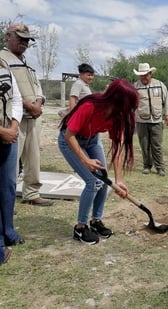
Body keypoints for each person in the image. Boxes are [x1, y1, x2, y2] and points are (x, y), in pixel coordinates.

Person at [58, 78, 138, 245]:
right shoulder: (90, 107)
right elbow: (69, 135)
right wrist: (85, 160)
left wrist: (119, 180)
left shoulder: (117, 116)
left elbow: (117, 149)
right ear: (117, 100)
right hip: (70, 140)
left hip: (91, 140)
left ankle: (95, 221)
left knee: (104, 179)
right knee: (93, 181)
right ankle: (80, 228)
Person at [0, 22, 54, 206]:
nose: (24, 43)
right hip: (13, 119)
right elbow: (8, 92)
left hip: (33, 118)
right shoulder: (2, 59)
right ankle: (6, 201)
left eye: (26, 40)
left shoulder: (26, 62)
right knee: (10, 163)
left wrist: (38, 102)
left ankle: (31, 193)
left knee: (33, 158)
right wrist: (28, 106)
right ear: (8, 36)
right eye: (20, 38)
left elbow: (37, 87)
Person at [0, 59, 23, 263]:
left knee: (8, 185)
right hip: (3, 133)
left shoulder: (3, 66)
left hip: (9, 137)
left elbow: (16, 99)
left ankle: (8, 230)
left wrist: (13, 128)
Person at [133, 63, 168, 176]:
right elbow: (131, 104)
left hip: (157, 120)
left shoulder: (160, 85)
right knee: (144, 145)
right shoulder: (135, 87)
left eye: (146, 74)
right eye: (141, 75)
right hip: (141, 121)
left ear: (150, 74)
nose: (144, 77)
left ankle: (160, 167)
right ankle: (147, 166)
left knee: (157, 145)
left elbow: (167, 101)